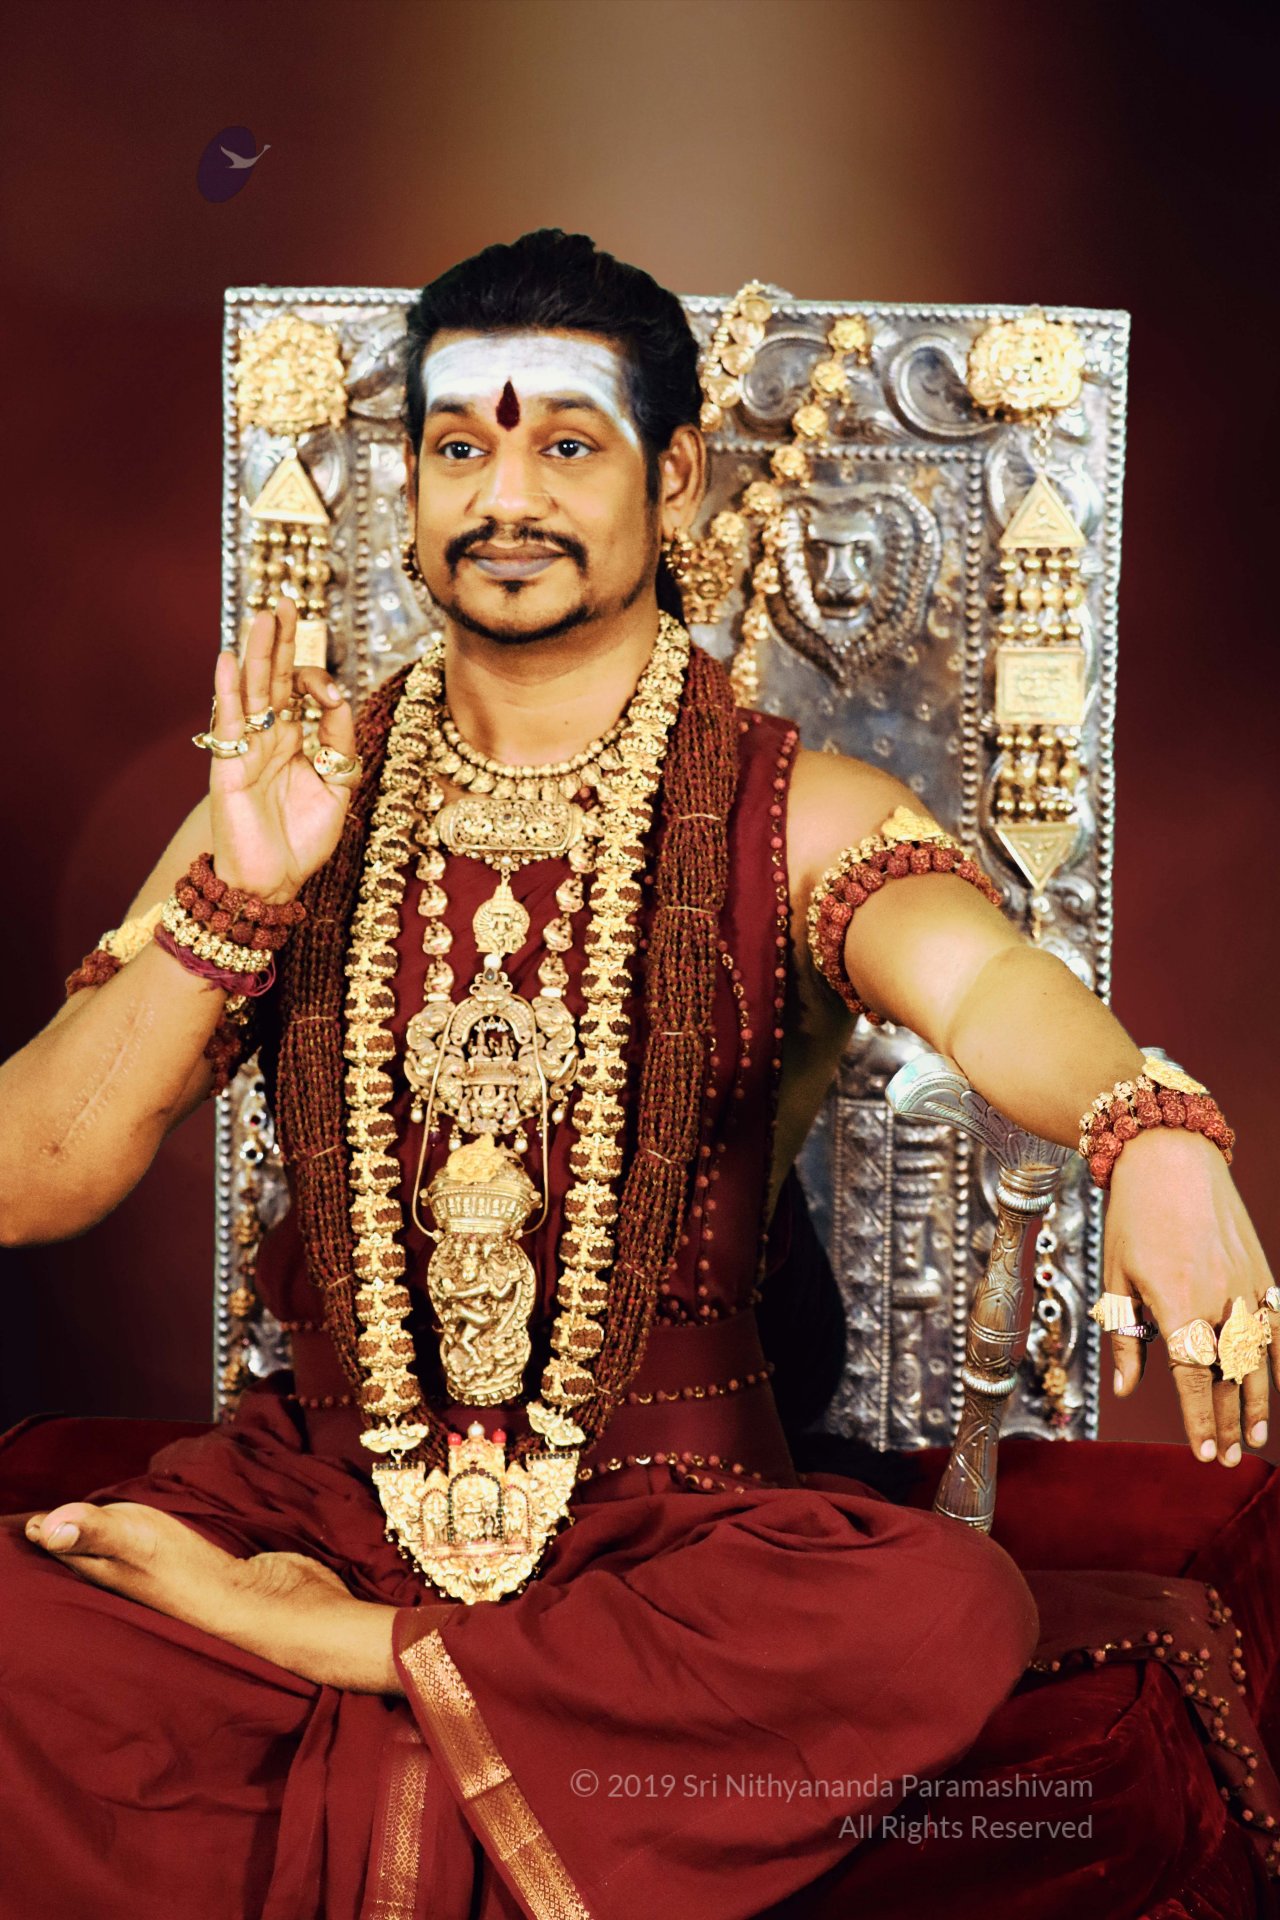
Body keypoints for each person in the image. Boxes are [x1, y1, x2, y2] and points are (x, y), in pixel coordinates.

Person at [0, 228, 1276, 1920]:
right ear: (411, 484)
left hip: (664, 1541)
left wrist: (1150, 1127)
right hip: (313, 1492)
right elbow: (36, 1175)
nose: (505, 498)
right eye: (460, 447)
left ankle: (339, 1649)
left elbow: (986, 987)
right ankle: (380, 1640)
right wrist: (239, 901)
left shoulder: (792, 809)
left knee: (942, 1612)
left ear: (671, 479)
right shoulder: (288, 793)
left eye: (566, 444)